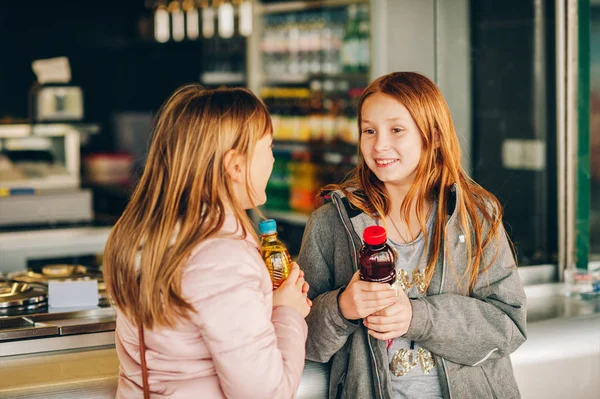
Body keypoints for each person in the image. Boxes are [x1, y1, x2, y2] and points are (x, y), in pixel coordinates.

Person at [298, 72, 527, 399]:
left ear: (432, 136)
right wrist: (340, 307)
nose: (379, 145)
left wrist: (417, 318)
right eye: (369, 130)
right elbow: (303, 342)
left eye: (396, 130)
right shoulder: (330, 224)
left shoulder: (475, 217)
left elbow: (509, 327)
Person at [103, 85, 311, 398]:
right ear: (236, 166)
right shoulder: (222, 257)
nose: (272, 160)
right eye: (268, 146)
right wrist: (287, 311)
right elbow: (266, 393)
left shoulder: (148, 237)